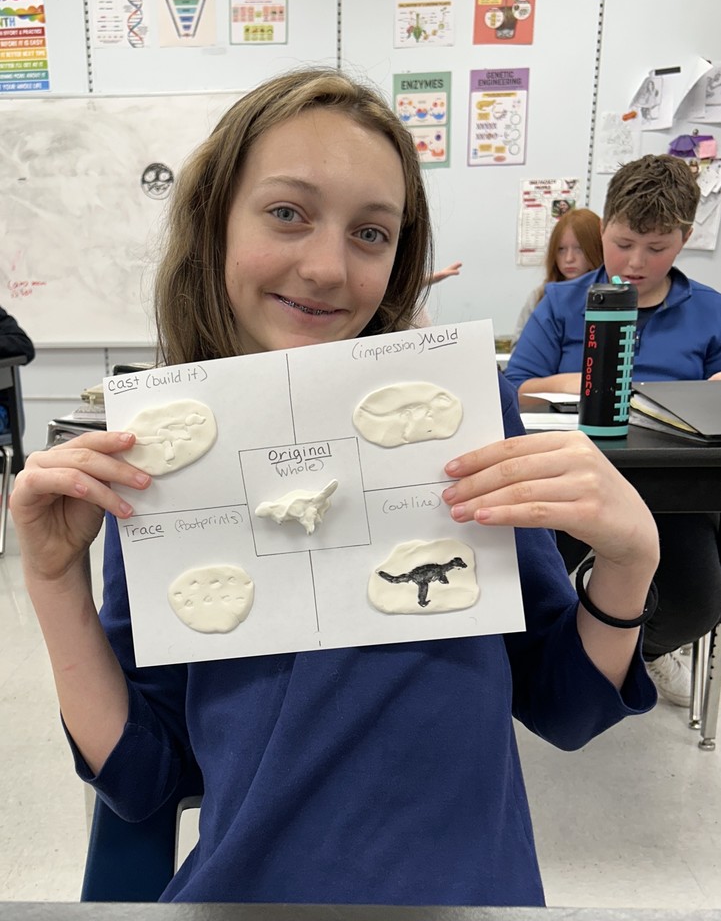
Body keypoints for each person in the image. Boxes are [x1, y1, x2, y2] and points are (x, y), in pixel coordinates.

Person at [10, 68, 658, 908]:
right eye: (286, 213)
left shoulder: (456, 411)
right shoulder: (162, 449)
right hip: (246, 897)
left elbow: (563, 707)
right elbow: (143, 777)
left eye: (370, 233)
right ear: (214, 222)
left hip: (463, 894)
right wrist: (54, 581)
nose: (325, 266)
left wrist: (629, 559)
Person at [506, 154, 721, 707]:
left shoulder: (711, 312)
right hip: (566, 476)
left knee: (698, 600)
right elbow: (520, 388)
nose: (636, 262)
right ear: (603, 228)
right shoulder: (562, 303)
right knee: (522, 581)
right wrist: (592, 381)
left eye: (658, 247)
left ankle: (634, 654)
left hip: (672, 497)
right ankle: (556, 661)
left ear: (685, 238)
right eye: (623, 242)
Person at [512, 209, 603, 348]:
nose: (569, 258)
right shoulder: (539, 297)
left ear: (596, 249)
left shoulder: (610, 298)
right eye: (561, 249)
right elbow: (519, 349)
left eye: (579, 249)